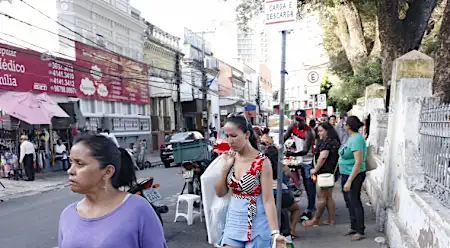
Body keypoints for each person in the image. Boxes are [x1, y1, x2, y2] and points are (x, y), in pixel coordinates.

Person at [58, 134, 166, 248]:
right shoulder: (68, 215)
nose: (70, 171)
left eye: (79, 164)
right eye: (71, 162)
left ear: (107, 171)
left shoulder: (138, 210)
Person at [214, 114, 288, 248]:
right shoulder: (229, 158)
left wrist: (275, 233)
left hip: (258, 223)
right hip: (234, 221)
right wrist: (224, 169)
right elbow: (220, 193)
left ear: (247, 134)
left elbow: (268, 200)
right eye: (227, 136)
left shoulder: (262, 162)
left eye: (234, 136)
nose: (230, 141)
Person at [303, 122, 340, 227]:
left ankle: (315, 219)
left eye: (321, 131)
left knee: (321, 197)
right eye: (318, 131)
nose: (319, 133)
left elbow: (323, 157)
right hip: (330, 172)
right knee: (328, 196)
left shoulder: (326, 143)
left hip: (324, 172)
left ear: (327, 131)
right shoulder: (334, 141)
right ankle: (330, 219)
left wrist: (315, 169)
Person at [283, 110, 316, 221]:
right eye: (296, 119)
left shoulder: (308, 132)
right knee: (295, 180)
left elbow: (305, 150)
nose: (297, 122)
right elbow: (284, 137)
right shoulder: (293, 126)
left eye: (299, 120)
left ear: (304, 120)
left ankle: (310, 208)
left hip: (308, 160)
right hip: (299, 159)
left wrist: (292, 154)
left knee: (309, 184)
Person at [338, 116, 367, 241]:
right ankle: (353, 226)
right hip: (346, 173)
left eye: (345, 123)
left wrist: (349, 181)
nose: (343, 125)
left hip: (354, 175)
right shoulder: (352, 138)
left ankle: (360, 230)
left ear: (348, 126)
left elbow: (358, 162)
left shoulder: (357, 140)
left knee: (355, 201)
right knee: (349, 201)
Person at [265, 145, 301, 239]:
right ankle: (292, 230)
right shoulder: (283, 166)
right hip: (284, 194)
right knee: (296, 208)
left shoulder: (263, 165)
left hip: (268, 194)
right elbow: (291, 178)